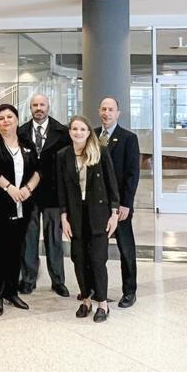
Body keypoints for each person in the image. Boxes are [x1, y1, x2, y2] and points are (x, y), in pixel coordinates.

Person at [0, 104, 40, 316]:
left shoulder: (27, 142)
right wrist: (9, 187)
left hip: (23, 205)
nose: (6, 121)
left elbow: (38, 170)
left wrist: (28, 189)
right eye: (1, 118)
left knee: (16, 250)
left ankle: (12, 291)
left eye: (10, 117)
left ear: (17, 120)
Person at [58, 116, 120, 323]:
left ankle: (102, 303)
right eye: (74, 129)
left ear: (88, 132)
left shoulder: (100, 152)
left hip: (98, 213)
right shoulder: (63, 155)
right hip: (75, 215)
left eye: (82, 129)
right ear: (70, 132)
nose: (78, 132)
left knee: (97, 259)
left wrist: (114, 213)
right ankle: (86, 300)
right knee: (78, 258)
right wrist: (64, 217)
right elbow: (62, 189)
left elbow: (112, 183)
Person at [18, 94, 71, 297]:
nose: (38, 108)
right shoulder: (21, 132)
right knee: (28, 238)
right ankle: (29, 279)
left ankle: (58, 280)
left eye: (42, 105)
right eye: (35, 105)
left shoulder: (62, 132)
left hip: (53, 194)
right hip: (28, 194)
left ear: (49, 107)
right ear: (30, 108)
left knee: (54, 238)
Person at [95, 97, 140, 309]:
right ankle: (97, 289)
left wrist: (126, 204)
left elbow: (132, 174)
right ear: (99, 111)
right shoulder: (92, 135)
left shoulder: (128, 138)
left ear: (118, 113)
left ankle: (129, 291)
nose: (107, 113)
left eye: (111, 109)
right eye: (103, 109)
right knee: (96, 249)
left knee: (126, 249)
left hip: (119, 204)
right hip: (97, 204)